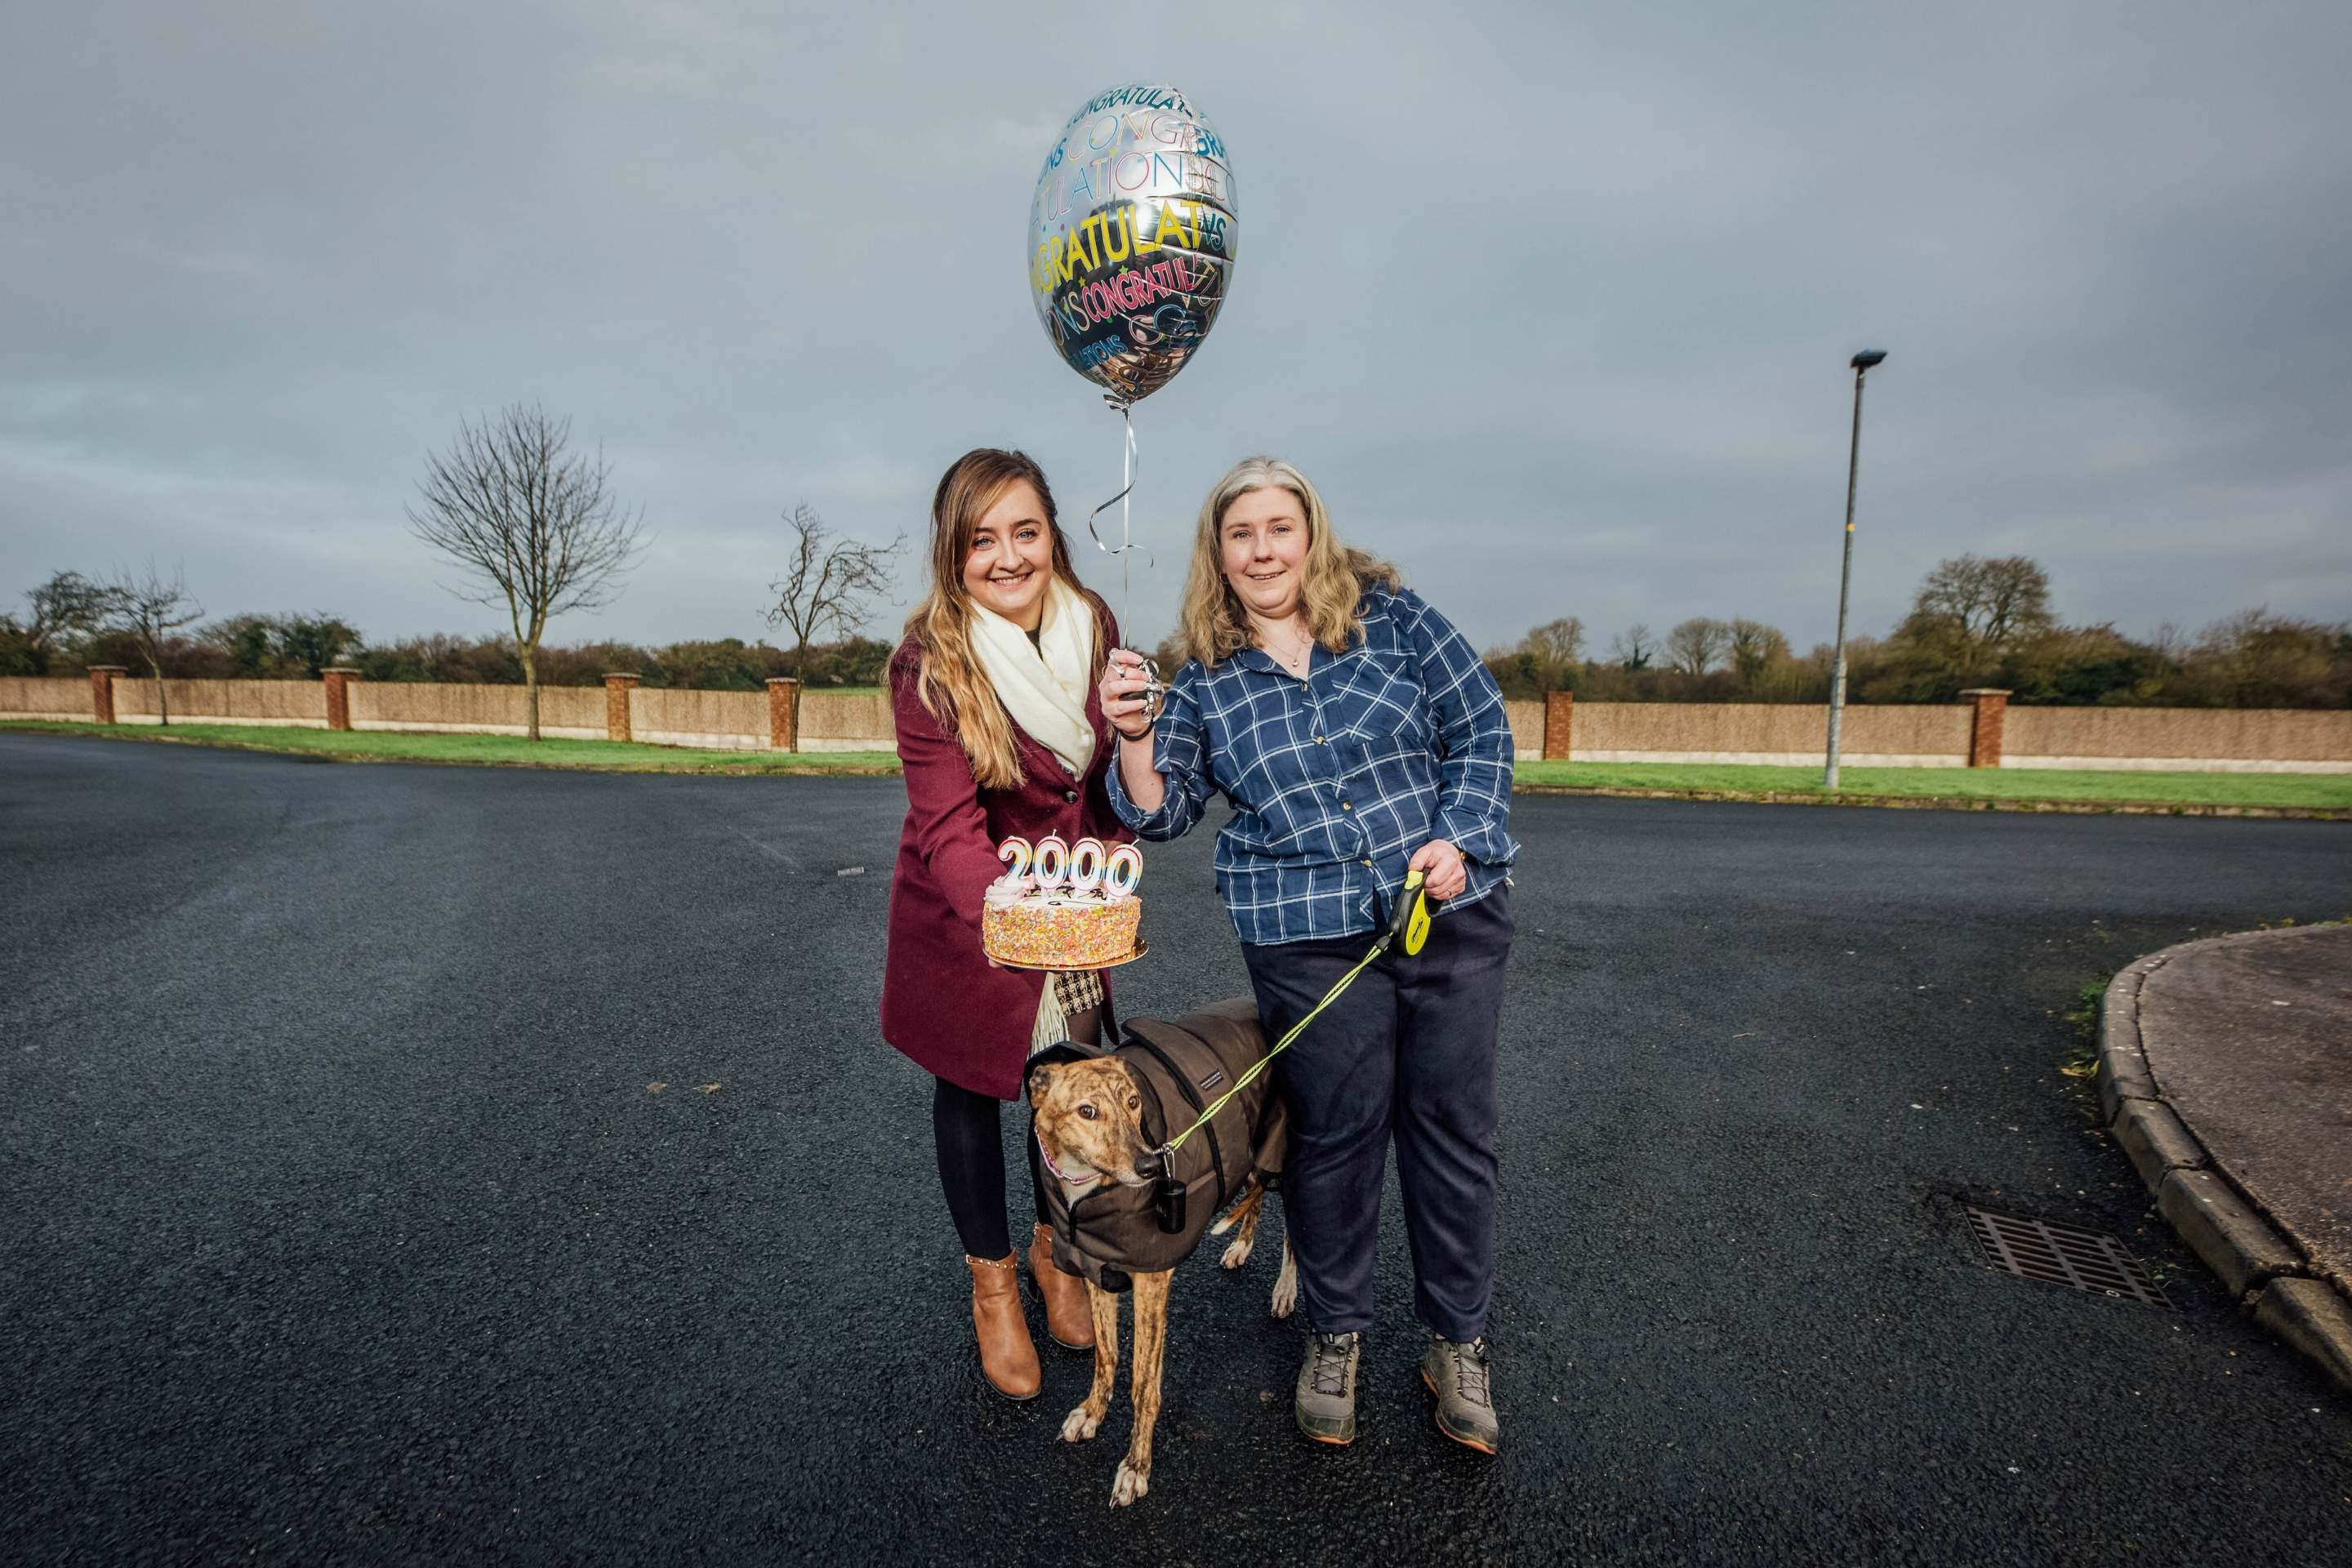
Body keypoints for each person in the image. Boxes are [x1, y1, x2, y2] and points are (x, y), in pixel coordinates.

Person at [1097, 456, 1518, 1454]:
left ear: (1312, 534)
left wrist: (1460, 837)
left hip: (1442, 909)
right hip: (1305, 932)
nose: (1264, 548)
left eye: (1280, 527)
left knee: (1452, 1129)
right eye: (1241, 534)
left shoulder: (1399, 621)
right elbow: (1163, 811)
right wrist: (1129, 737)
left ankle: (1457, 1341)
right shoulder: (1200, 674)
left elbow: (1483, 732)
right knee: (1336, 1132)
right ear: (1220, 554)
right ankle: (1336, 1331)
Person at [881, 448, 1132, 1401]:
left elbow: (1102, 772)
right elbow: (948, 828)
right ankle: (993, 1286)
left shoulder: (1095, 623)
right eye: (981, 539)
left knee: (1065, 1089)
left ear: (1052, 537)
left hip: (1072, 902)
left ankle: (1054, 1253)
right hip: (972, 911)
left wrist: (1118, 832)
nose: (1008, 556)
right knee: (976, 1092)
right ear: (954, 554)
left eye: (1025, 532)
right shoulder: (928, 662)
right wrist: (1022, 924)